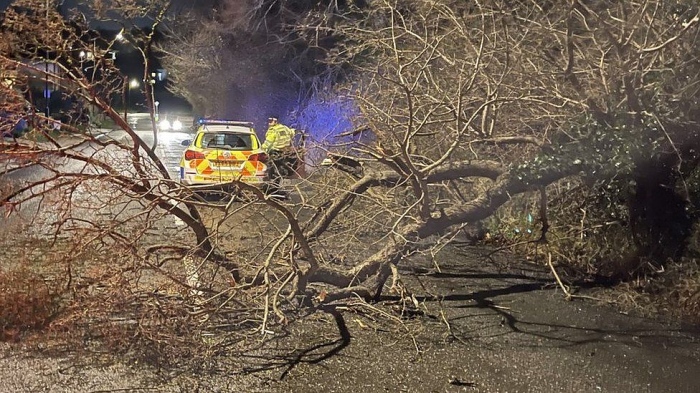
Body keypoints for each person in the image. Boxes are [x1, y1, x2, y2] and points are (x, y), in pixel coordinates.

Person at [261, 117, 297, 194]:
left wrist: (261, 151)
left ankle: (272, 188)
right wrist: (295, 131)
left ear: (275, 121)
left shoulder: (272, 131)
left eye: (270, 121)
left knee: (272, 170)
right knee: (278, 170)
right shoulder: (285, 128)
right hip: (284, 153)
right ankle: (276, 187)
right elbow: (292, 133)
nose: (269, 123)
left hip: (275, 152)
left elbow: (268, 143)